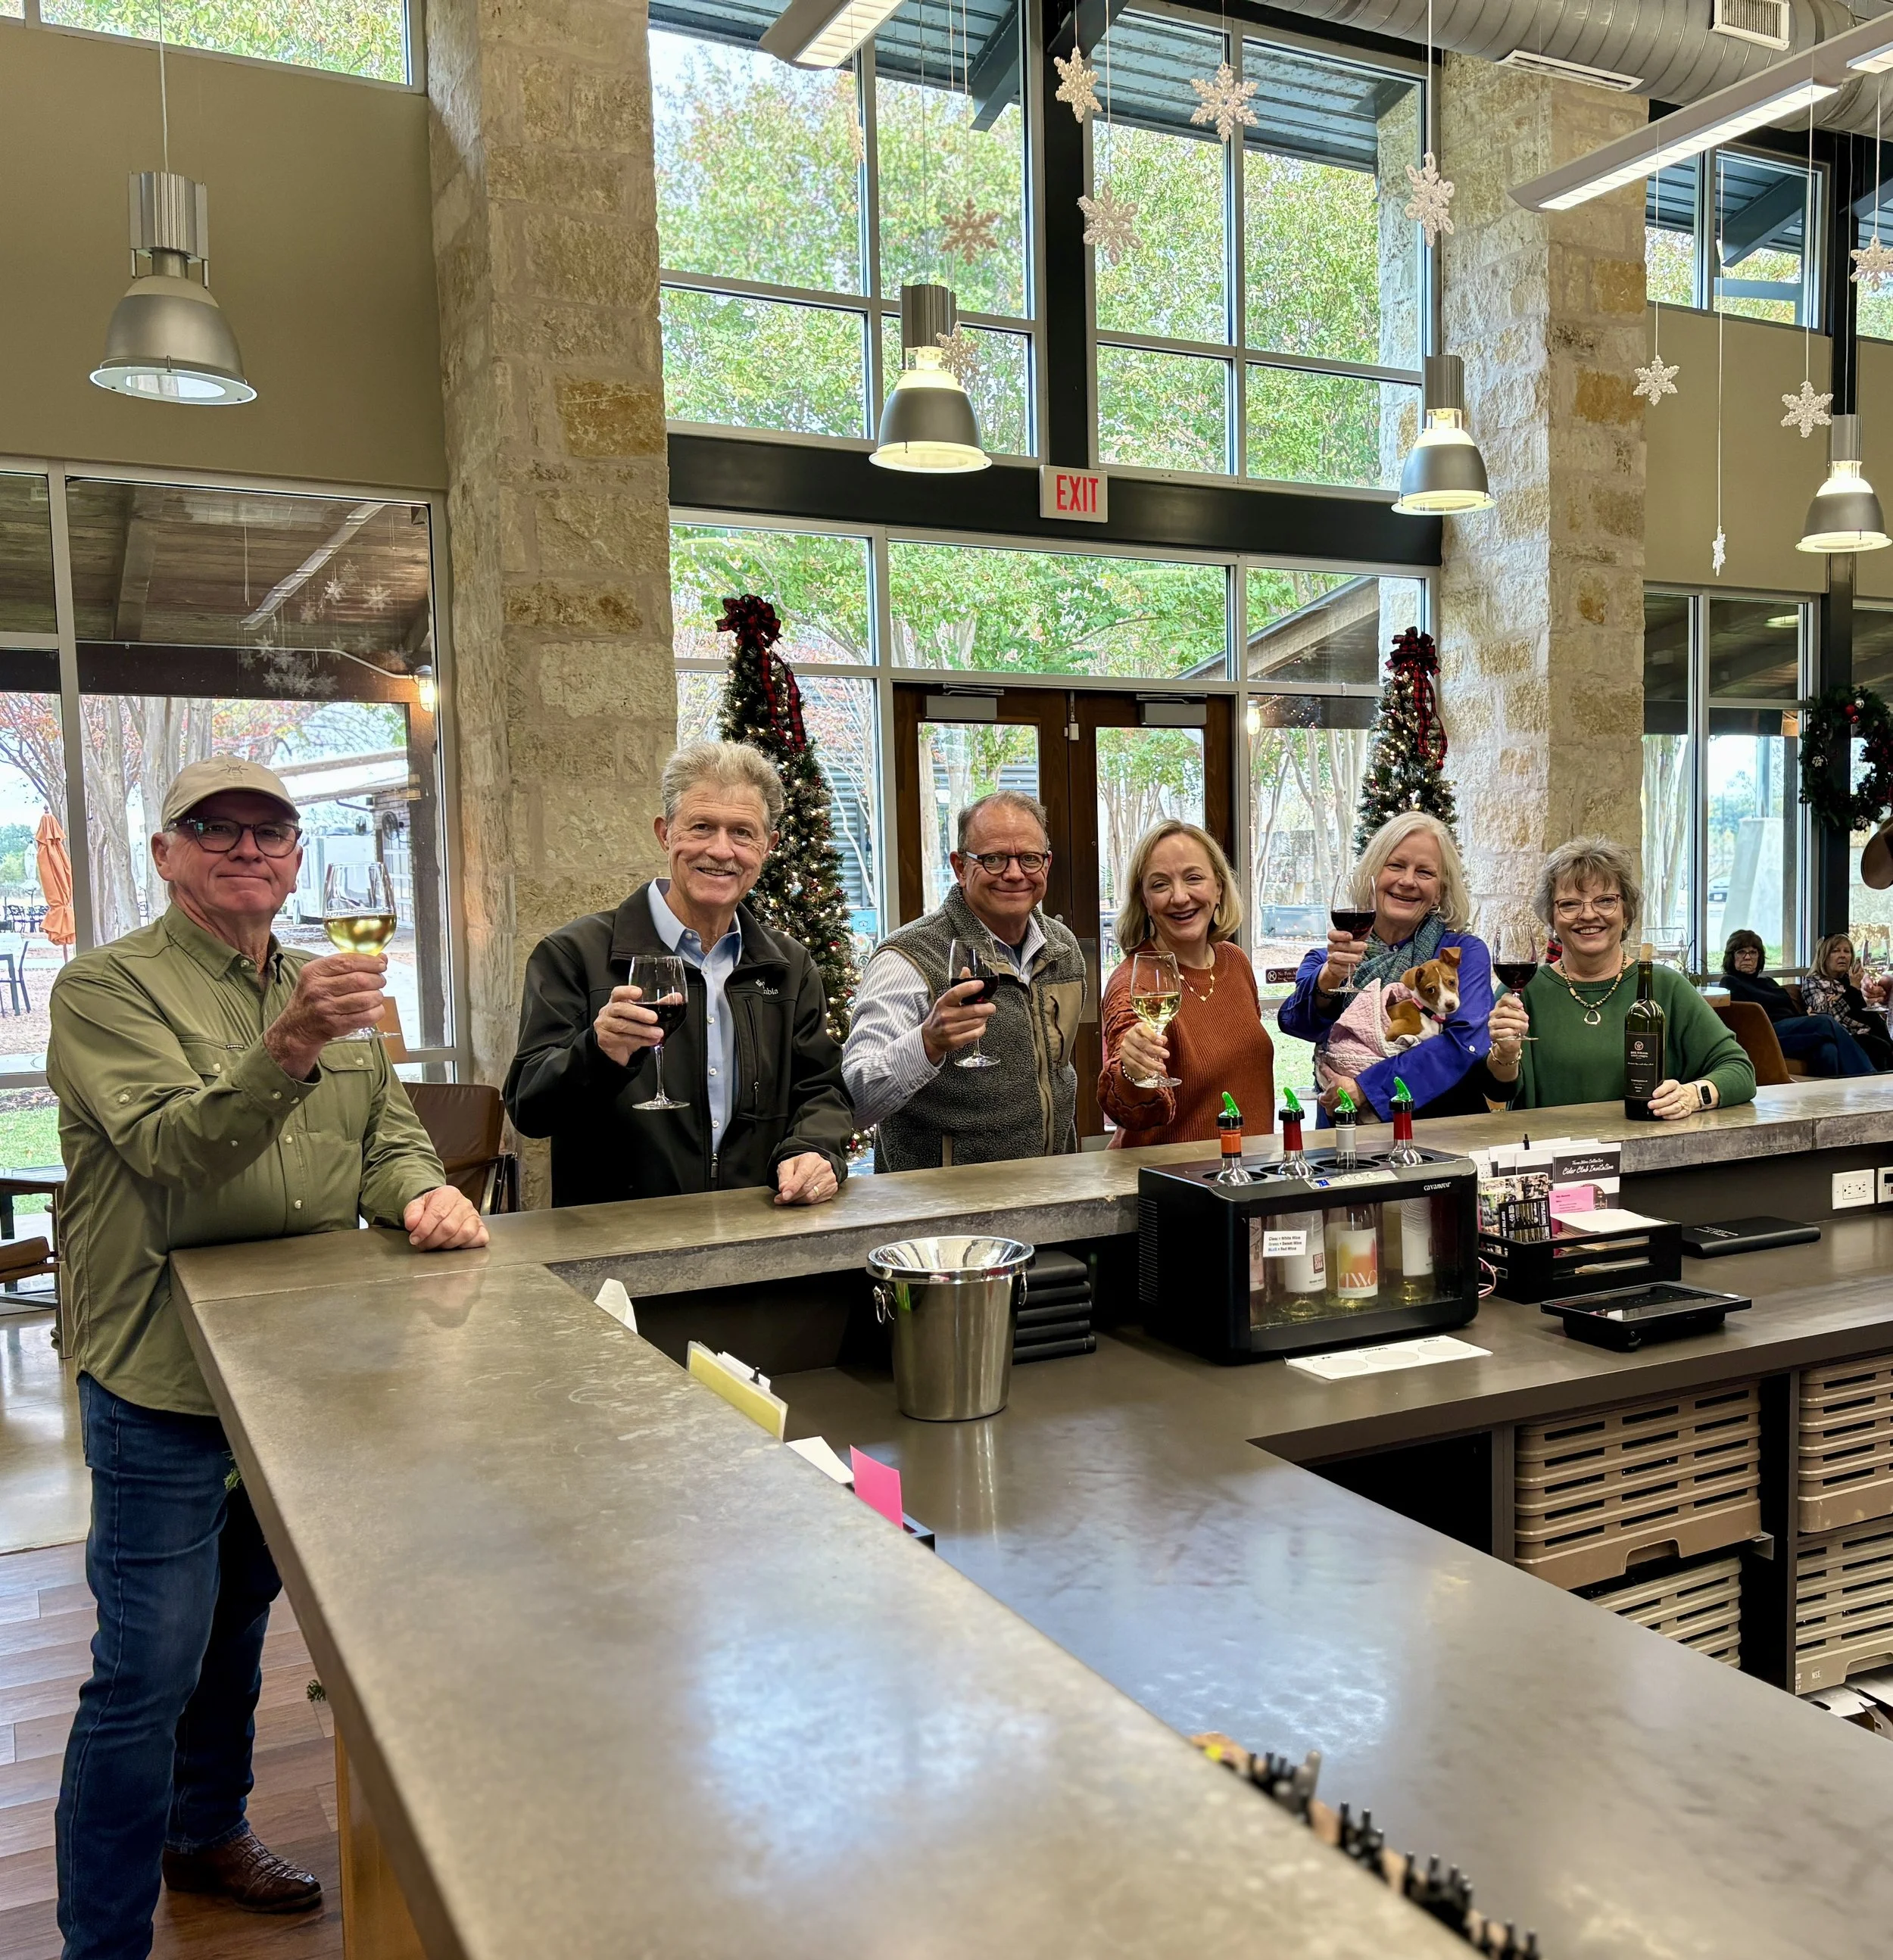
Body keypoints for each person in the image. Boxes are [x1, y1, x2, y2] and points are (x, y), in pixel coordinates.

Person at [48, 756, 487, 1959]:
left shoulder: (324, 988)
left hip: (298, 1376)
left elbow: (388, 1141)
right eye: (216, 828)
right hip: (163, 1376)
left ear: (298, 856)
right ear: (167, 853)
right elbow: (171, 1149)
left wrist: (422, 1198)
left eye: (272, 830)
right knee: (145, 1668)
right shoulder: (105, 990)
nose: (249, 847)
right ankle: (102, 1939)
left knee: (241, 1620)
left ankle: (208, 1831)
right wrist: (287, 1046)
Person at [505, 740, 853, 1207]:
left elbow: (823, 1088)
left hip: (758, 1234)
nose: (720, 850)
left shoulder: (788, 966)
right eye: (702, 827)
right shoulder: (574, 955)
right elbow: (530, 1109)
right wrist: (598, 1051)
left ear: (768, 847)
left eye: (742, 833)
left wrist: (813, 1148)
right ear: (665, 834)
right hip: (619, 1248)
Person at [843, 790, 1086, 1169]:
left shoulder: (1063, 948)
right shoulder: (909, 956)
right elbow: (854, 1098)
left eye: (1029, 859)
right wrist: (927, 1043)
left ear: (1047, 864)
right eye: (993, 859)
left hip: (1051, 1190)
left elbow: (1057, 1072)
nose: (1015, 873)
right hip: (943, 1209)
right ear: (960, 867)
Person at [1486, 837, 1755, 1116]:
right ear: (1552, 918)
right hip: (1552, 1154)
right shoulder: (1522, 991)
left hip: (1649, 1153)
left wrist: (1692, 1096)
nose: (1588, 914)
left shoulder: (1666, 986)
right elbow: (1497, 1092)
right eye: (1569, 904)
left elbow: (1740, 1071)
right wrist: (1505, 1055)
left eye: (1605, 901)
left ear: (1626, 913)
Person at [1276, 810, 1492, 1123]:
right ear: (1373, 874)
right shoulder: (1329, 958)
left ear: (1440, 892)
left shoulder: (1461, 955)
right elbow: (1297, 1025)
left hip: (1442, 1128)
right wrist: (1328, 980)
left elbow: (1463, 1044)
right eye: (1396, 866)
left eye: (1425, 873)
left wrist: (1365, 1088)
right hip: (1344, 1129)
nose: (1407, 881)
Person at [1098, 821, 1272, 1146]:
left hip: (1246, 1177)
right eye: (1160, 885)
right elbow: (1134, 1111)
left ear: (1219, 888)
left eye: (1194, 878)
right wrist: (1132, 1071)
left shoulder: (1234, 961)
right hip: (1178, 1186)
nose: (1180, 897)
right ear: (1145, 901)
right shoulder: (1135, 982)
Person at [1719, 929, 1879, 1077]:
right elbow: (1746, 1018)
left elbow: (1790, 1012)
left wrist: (1806, 1016)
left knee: (1827, 1049)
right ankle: (1868, 1076)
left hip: (1790, 1032)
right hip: (1767, 1035)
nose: (1748, 957)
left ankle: (1828, 1101)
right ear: (1731, 956)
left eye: (1753, 952)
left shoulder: (1768, 982)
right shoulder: (1730, 982)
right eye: (1741, 952)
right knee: (1825, 1021)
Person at [1802, 933, 1893, 1071]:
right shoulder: (1813, 982)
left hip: (1868, 1030)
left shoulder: (1853, 979)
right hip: (1846, 1035)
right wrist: (1853, 990)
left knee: (1886, 1041)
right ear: (1824, 956)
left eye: (1847, 951)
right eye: (1836, 951)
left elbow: (1869, 1012)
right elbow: (1828, 1016)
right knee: (1879, 1046)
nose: (1843, 955)